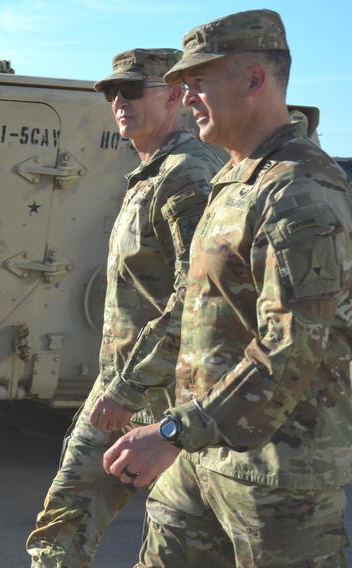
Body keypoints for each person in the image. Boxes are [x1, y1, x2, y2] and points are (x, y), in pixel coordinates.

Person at [102, 9, 352, 567]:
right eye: (182, 84)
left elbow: (291, 348)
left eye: (199, 81)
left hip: (276, 476)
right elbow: (194, 309)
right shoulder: (233, 179)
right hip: (201, 459)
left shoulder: (301, 191)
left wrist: (174, 431)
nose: (188, 96)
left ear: (255, 80)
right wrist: (145, 402)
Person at [26, 48, 223, 568]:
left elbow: (198, 298)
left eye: (134, 90)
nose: (119, 101)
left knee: (179, 542)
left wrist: (128, 387)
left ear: (175, 96)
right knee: (65, 517)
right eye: (112, 92)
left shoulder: (188, 177)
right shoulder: (153, 173)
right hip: (127, 380)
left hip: (167, 393)